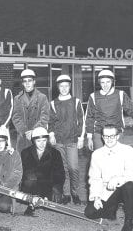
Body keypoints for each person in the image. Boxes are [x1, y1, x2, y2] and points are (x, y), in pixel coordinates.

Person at [84, 124, 133, 231]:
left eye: (112, 136)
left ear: (118, 136)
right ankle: (112, 209)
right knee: (90, 213)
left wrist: (118, 179)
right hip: (107, 190)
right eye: (106, 136)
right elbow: (94, 178)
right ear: (102, 137)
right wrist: (96, 197)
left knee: (129, 185)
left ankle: (129, 222)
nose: (109, 139)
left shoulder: (128, 150)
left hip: (125, 188)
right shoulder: (97, 154)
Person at [85, 69, 133, 151]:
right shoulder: (93, 96)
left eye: (108, 82)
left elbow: (132, 111)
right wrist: (89, 137)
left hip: (116, 132)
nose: (105, 85)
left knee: (117, 160)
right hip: (99, 133)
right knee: (100, 160)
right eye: (102, 82)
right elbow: (89, 117)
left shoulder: (120, 94)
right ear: (99, 83)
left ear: (112, 82)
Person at [48, 74, 85, 205]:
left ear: (70, 86)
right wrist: (51, 135)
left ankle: (75, 193)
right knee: (62, 168)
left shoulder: (76, 102)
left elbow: (81, 121)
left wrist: (81, 137)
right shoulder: (53, 103)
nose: (64, 88)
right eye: (61, 86)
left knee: (73, 168)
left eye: (66, 86)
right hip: (58, 141)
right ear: (58, 87)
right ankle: (65, 194)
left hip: (72, 140)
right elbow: (50, 122)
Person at [21, 127, 65, 216]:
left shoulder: (55, 153)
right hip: (33, 182)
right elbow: (25, 172)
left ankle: (42, 198)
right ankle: (33, 199)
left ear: (47, 140)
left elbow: (60, 172)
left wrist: (56, 187)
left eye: (44, 141)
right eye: (38, 141)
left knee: (56, 201)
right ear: (33, 141)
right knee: (30, 180)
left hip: (49, 183)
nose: (42, 144)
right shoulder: (25, 152)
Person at [12, 69, 50, 152]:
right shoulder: (17, 98)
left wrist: (34, 131)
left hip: (38, 137)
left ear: (34, 81)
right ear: (22, 83)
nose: (27, 83)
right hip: (23, 136)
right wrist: (25, 132)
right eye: (25, 81)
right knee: (22, 161)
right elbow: (16, 117)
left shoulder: (42, 97)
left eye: (30, 81)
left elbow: (45, 116)